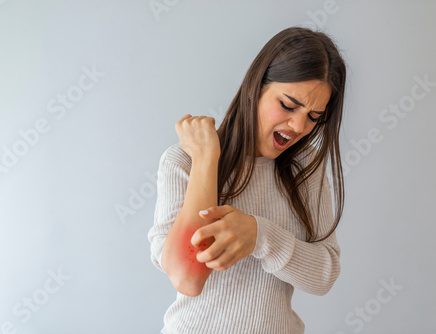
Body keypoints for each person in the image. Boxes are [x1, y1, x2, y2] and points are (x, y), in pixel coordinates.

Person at [147, 26, 346, 334]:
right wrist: (206, 160)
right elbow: (187, 278)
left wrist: (259, 236)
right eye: (288, 105)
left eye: (314, 116)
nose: (298, 125)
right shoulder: (186, 161)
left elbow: (324, 275)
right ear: (255, 86)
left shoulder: (307, 168)